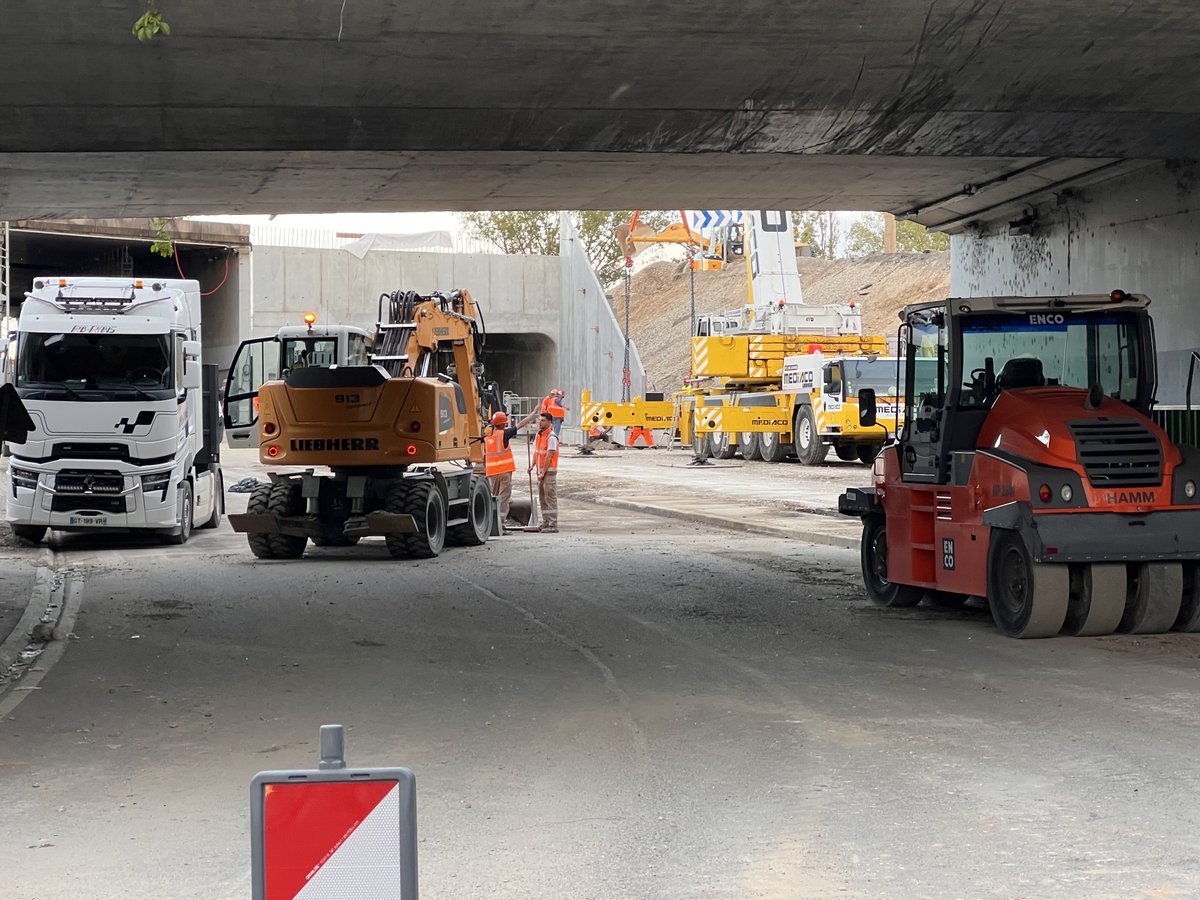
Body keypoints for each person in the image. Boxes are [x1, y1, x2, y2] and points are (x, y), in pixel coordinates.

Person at [485, 409, 537, 524]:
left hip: (492, 472)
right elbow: (521, 424)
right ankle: (501, 522)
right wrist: (533, 412)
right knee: (504, 498)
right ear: (504, 423)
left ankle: (492, 521)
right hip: (504, 471)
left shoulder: (488, 436)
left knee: (494, 497)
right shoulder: (504, 434)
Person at [529, 412, 560, 532]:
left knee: (550, 498)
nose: (540, 422)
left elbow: (549, 456)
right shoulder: (539, 435)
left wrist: (543, 473)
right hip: (540, 472)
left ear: (549, 422)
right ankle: (546, 521)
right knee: (543, 498)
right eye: (539, 420)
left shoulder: (551, 437)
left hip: (549, 472)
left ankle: (553, 524)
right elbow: (537, 452)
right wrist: (532, 466)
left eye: (543, 420)